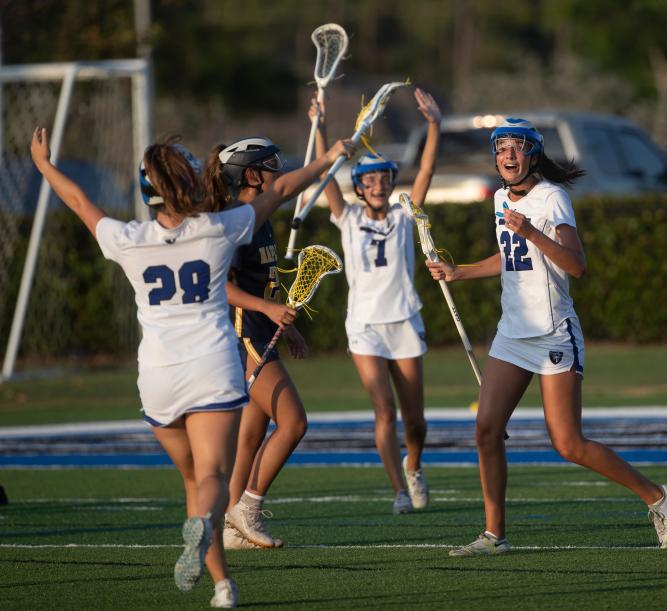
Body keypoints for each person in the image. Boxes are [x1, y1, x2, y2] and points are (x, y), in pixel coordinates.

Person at [30, 127, 352, 607]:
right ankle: (205, 530)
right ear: (192, 184)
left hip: (158, 377)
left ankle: (222, 585)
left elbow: (78, 201)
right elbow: (283, 190)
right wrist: (327, 157)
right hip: (211, 368)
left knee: (191, 479)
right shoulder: (218, 228)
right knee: (211, 480)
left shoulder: (129, 238)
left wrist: (44, 164)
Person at [426, 118, 667, 556]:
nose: (507, 155)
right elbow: (511, 257)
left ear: (533, 155)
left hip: (553, 333)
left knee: (568, 444)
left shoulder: (553, 198)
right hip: (512, 334)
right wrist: (459, 271)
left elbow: (576, 265)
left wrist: (531, 231)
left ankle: (657, 496)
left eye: (516, 148)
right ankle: (494, 535)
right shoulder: (502, 198)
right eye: (501, 148)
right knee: (486, 430)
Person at [312, 88, 441, 514]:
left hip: (404, 320)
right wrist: (323, 127)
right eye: (370, 180)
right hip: (364, 326)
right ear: (360, 187)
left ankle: (414, 466)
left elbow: (425, 171)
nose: (380, 185)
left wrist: (434, 125)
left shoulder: (405, 215)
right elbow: (325, 173)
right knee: (384, 413)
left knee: (415, 421)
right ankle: (398, 491)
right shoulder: (346, 218)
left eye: (385, 179)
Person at [205, 137, 309, 549]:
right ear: (250, 174)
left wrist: (287, 323)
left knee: (252, 434)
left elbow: (259, 284)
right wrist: (265, 313)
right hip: (243, 332)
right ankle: (246, 509)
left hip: (260, 327)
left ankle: (232, 529)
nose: (278, 173)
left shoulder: (258, 218)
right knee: (295, 422)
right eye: (271, 166)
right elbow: (223, 286)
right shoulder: (233, 219)